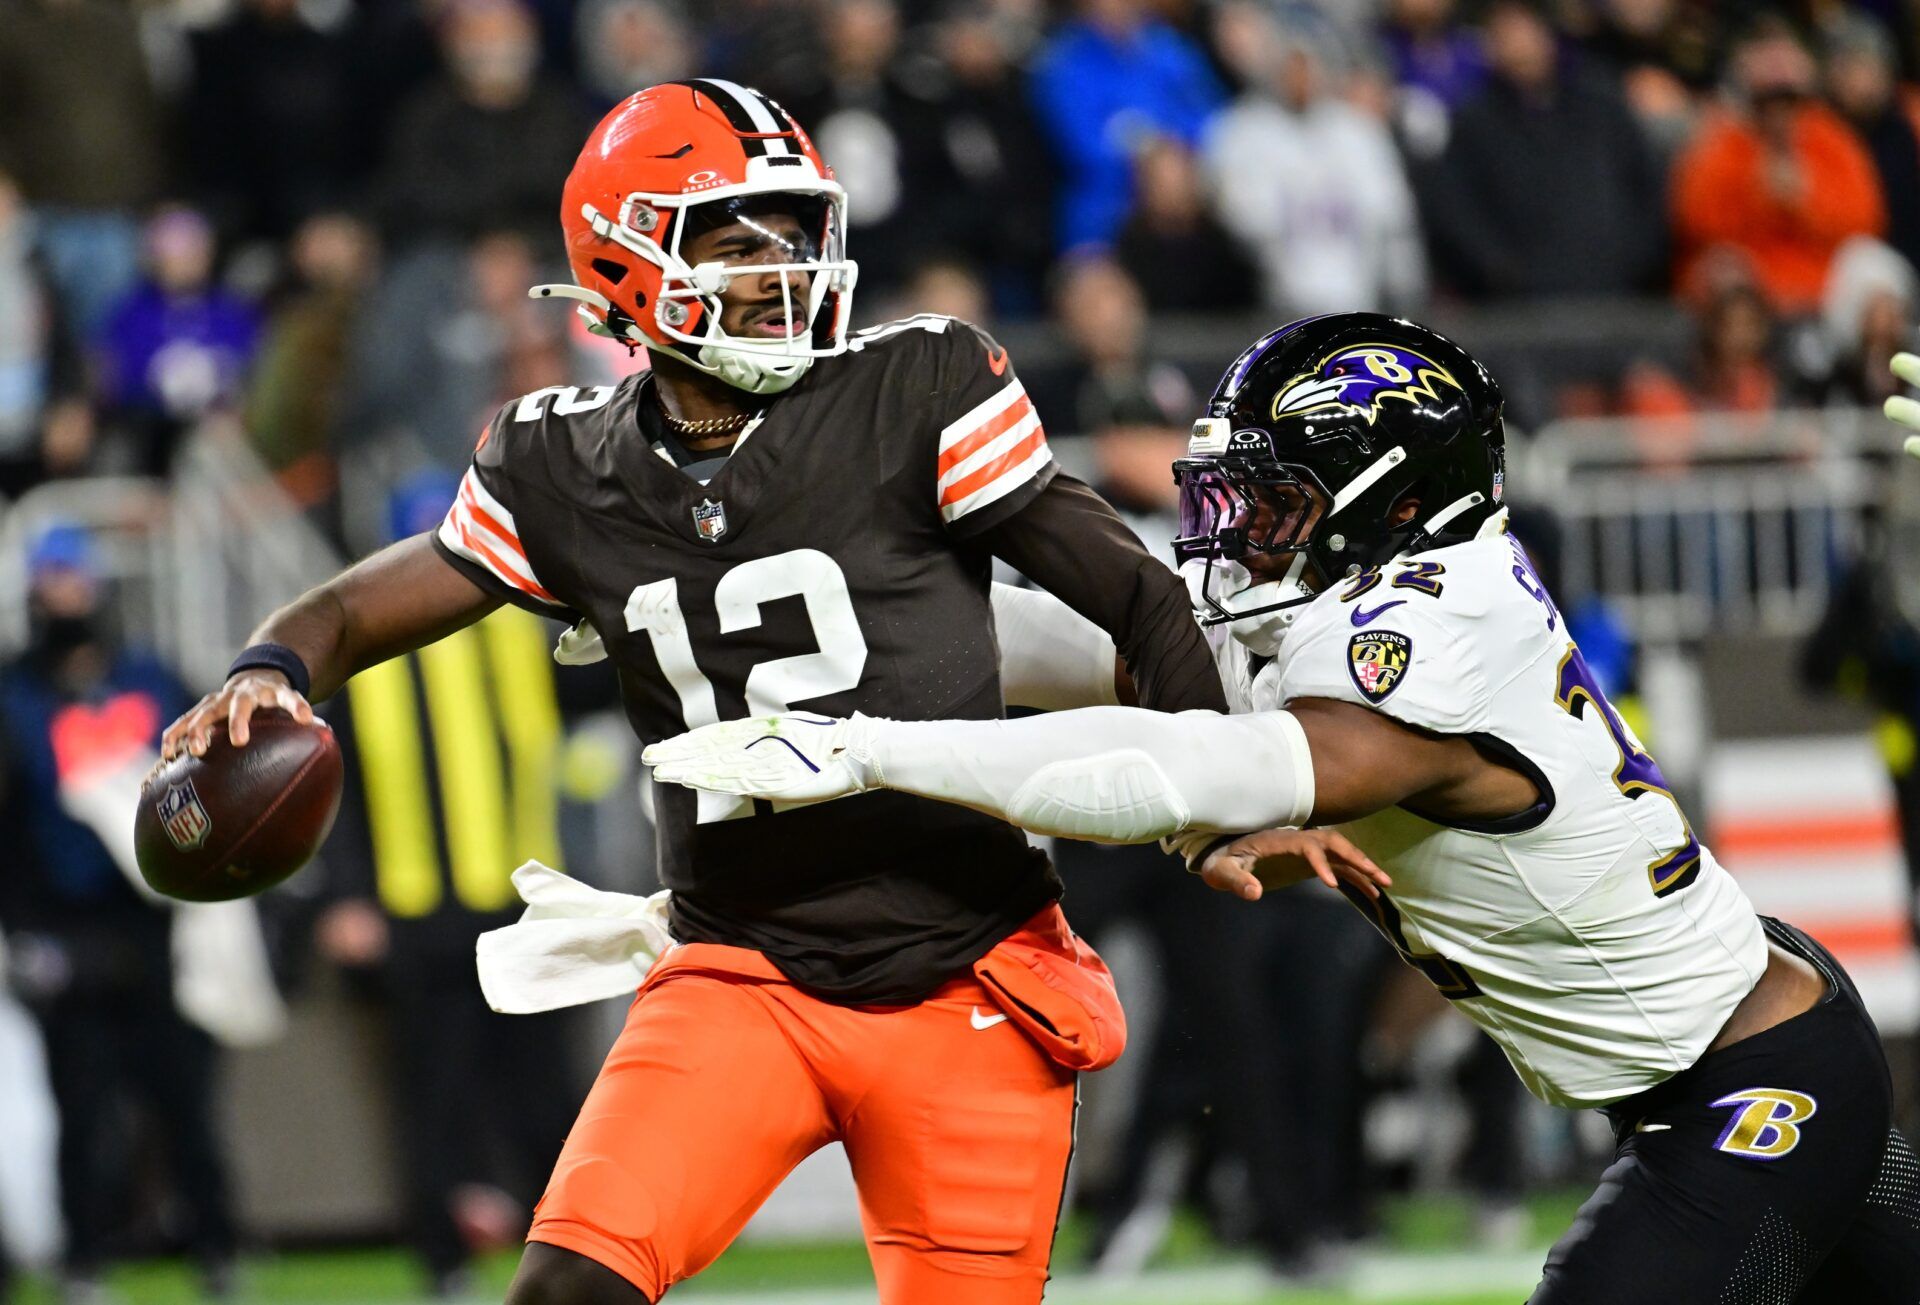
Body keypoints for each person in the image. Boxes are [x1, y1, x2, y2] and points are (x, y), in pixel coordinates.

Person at [161, 80, 1225, 1305]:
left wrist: (1228, 807)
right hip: (741, 973)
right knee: (564, 1293)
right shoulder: (558, 463)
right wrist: (269, 664)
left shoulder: (915, 384)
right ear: (624, 263)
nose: (783, 271)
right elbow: (353, 609)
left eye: (794, 234)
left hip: (966, 976)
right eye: (734, 242)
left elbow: (1140, 595)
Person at [650, 312, 1920, 1302]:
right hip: (1747, 1048)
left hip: (1748, 1092)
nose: (1236, 531)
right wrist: (743, 616)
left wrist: (875, 750)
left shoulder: (1422, 637)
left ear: (1388, 501)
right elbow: (1065, 643)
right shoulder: (1361, 595)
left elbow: (1201, 768)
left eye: (1273, 501)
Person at [316, 473, 586, 1298]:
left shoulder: (519, 632)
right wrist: (344, 894)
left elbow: (597, 698)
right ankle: (444, 1262)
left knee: (549, 1099)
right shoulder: (366, 652)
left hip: (519, 901)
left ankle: (578, 1255)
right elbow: (336, 786)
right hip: (415, 906)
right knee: (432, 1096)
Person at [0, 524, 237, 1300]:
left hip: (157, 914)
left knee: (184, 1094)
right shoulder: (15, 692)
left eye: (75, 578)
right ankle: (84, 1257)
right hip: (66, 922)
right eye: (51, 580)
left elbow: (213, 776)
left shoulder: (148, 675)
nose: (65, 595)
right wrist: (22, 927)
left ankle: (216, 1244)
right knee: (82, 1102)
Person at [1671, 17, 1885, 314]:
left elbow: (1867, 220)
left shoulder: (1829, 138)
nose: (1779, 111)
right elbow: (1694, 222)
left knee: (1874, 265)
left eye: (1788, 99)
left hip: (1823, 288)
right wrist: (1759, 193)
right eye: (1768, 99)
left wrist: (1806, 198)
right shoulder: (1723, 140)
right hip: (1748, 294)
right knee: (1723, 269)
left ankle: (1878, 360)